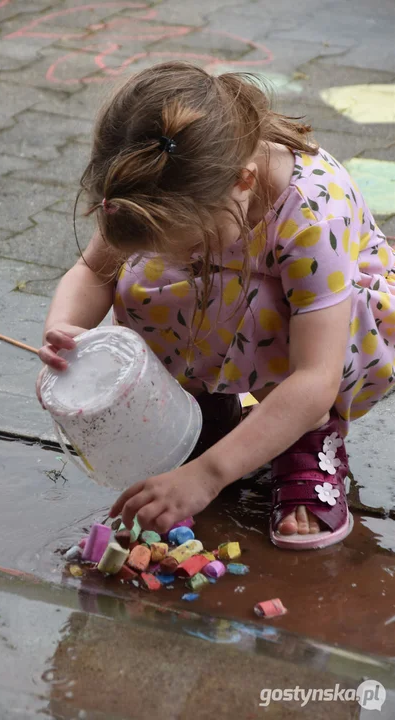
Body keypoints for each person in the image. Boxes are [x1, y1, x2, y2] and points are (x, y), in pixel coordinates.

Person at [36, 62, 395, 550]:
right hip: (231, 303)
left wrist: (207, 476)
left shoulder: (312, 212)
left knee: (263, 312)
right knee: (146, 281)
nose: (178, 259)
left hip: (336, 336)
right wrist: (66, 328)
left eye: (189, 243)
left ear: (244, 183)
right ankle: (206, 413)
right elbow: (91, 270)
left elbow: (315, 377)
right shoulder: (158, 182)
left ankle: (306, 442)